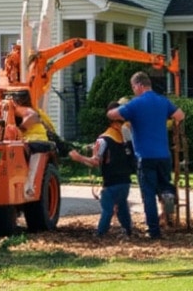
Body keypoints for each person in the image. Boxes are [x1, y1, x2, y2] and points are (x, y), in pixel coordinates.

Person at [107, 71, 184, 239]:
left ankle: (154, 231)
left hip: (145, 156)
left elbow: (112, 115)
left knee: (148, 195)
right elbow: (180, 115)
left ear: (140, 85)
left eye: (133, 87)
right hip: (164, 155)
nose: (133, 90)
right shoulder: (163, 101)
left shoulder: (135, 104)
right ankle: (168, 198)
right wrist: (167, 121)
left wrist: (121, 108)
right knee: (164, 185)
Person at [68, 101, 134, 238]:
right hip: (126, 180)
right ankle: (127, 230)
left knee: (107, 208)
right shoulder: (127, 136)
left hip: (110, 181)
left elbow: (95, 162)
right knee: (122, 206)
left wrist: (79, 157)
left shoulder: (103, 139)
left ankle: (100, 233)